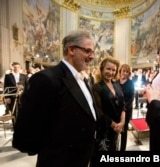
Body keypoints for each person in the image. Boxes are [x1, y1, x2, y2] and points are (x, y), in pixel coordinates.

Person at [12, 29, 99, 167]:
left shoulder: (82, 78)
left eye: (92, 52)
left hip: (82, 158)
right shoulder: (46, 78)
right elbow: (27, 129)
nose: (92, 56)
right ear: (71, 49)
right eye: (87, 51)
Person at [91, 56, 126, 152]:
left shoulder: (116, 85)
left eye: (113, 70)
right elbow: (99, 111)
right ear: (102, 69)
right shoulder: (96, 87)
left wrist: (122, 123)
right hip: (105, 129)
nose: (111, 72)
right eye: (108, 69)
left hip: (117, 128)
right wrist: (115, 126)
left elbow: (123, 105)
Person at [117, 64, 135, 151]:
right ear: (120, 71)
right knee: (116, 129)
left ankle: (122, 149)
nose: (125, 73)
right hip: (116, 110)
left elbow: (131, 98)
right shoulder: (116, 82)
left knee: (124, 131)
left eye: (127, 72)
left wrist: (123, 109)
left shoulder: (130, 83)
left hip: (126, 110)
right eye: (124, 71)